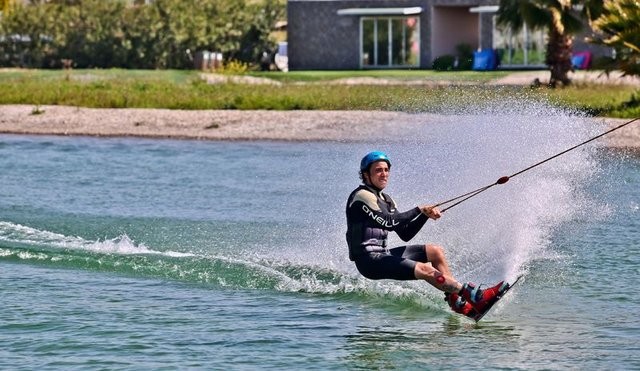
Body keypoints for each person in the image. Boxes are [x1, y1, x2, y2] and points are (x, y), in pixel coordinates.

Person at [345, 151, 507, 318]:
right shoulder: (361, 196)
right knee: (425, 270)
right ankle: (475, 296)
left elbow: (404, 233)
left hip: (382, 255)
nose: (384, 174)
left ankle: (456, 302)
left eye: (386, 170)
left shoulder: (387, 200)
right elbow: (389, 222)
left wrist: (424, 216)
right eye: (378, 170)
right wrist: (418, 209)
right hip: (369, 262)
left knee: (435, 251)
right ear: (366, 174)